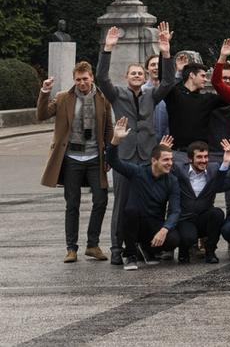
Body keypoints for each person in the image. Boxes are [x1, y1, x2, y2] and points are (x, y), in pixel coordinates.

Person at [97, 24, 176, 264]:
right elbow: (101, 77)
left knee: (150, 204)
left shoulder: (151, 95)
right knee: (122, 203)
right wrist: (108, 49)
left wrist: (165, 53)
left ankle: (145, 245)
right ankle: (116, 248)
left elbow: (169, 81)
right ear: (126, 77)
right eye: (133, 73)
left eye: (140, 74)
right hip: (124, 156)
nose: (137, 76)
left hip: (147, 156)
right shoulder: (117, 94)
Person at [38, 61, 113, 263]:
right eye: (78, 80)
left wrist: (110, 154)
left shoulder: (102, 98)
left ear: (91, 78)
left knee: (101, 200)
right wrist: (45, 91)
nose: (81, 83)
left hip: (95, 158)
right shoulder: (64, 98)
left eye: (85, 79)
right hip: (71, 158)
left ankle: (92, 244)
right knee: (72, 204)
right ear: (74, 80)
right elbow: (42, 115)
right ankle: (71, 248)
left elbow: (108, 128)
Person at [104, 118, 180, 270]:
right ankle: (131, 254)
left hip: (154, 224)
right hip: (135, 223)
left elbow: (175, 211)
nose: (170, 163)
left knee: (173, 239)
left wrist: (164, 230)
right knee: (130, 211)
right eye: (165, 160)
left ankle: (148, 249)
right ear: (154, 161)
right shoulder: (138, 172)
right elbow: (114, 162)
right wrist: (115, 141)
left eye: (171, 160)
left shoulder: (172, 180)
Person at [165, 47, 227, 169]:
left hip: (201, 155)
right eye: (202, 76)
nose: (205, 79)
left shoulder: (207, 99)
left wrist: (223, 59)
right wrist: (165, 53)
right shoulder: (175, 96)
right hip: (179, 154)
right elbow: (166, 81)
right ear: (192, 75)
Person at [173, 140, 224, 264]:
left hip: (204, 217)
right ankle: (184, 251)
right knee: (188, 237)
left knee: (217, 213)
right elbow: (165, 167)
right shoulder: (180, 169)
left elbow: (223, 179)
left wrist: (227, 161)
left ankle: (210, 251)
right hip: (186, 218)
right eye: (199, 157)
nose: (204, 160)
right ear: (190, 159)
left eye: (206, 157)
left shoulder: (214, 168)